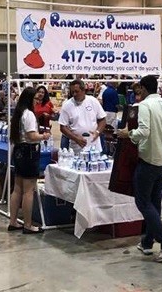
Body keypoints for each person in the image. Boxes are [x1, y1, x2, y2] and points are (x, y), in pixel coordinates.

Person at [116, 75, 162, 263]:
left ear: (144, 89)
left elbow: (143, 131)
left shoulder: (144, 106)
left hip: (149, 161)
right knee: (154, 203)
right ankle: (147, 242)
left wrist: (127, 134)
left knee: (143, 202)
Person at [8, 87, 51, 234]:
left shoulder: (18, 114)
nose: (38, 102)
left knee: (17, 188)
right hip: (29, 152)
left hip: (19, 150)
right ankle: (28, 224)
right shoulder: (29, 115)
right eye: (36, 99)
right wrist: (44, 136)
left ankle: (13, 221)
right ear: (29, 99)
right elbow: (32, 136)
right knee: (28, 191)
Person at [59, 79, 107, 154]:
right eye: (72, 92)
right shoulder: (67, 105)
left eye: (76, 91)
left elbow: (102, 120)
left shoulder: (93, 101)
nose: (74, 94)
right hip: (76, 148)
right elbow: (63, 127)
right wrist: (75, 138)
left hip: (94, 147)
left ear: (83, 90)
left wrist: (97, 132)